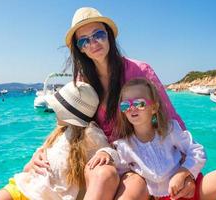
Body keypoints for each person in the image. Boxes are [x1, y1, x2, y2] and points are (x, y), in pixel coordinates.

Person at [26, 7, 194, 199]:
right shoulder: (83, 81)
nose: (93, 43)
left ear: (109, 35)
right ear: (79, 48)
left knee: (135, 187)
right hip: (103, 155)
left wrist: (186, 171)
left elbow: (169, 119)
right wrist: (42, 150)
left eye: (98, 34)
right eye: (84, 40)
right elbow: (70, 123)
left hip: (139, 159)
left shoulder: (140, 71)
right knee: (103, 174)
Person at [113, 78, 216, 200]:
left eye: (139, 103)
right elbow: (119, 169)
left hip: (193, 188)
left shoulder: (169, 129)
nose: (132, 108)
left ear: (154, 108)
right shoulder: (125, 146)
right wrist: (105, 153)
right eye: (126, 105)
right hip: (167, 197)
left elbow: (197, 151)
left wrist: (183, 173)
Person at [0, 82, 118, 200]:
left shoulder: (90, 134)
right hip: (25, 186)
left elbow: (109, 151)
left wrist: (104, 152)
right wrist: (35, 158)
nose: (54, 111)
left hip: (47, 195)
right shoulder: (60, 132)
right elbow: (29, 167)